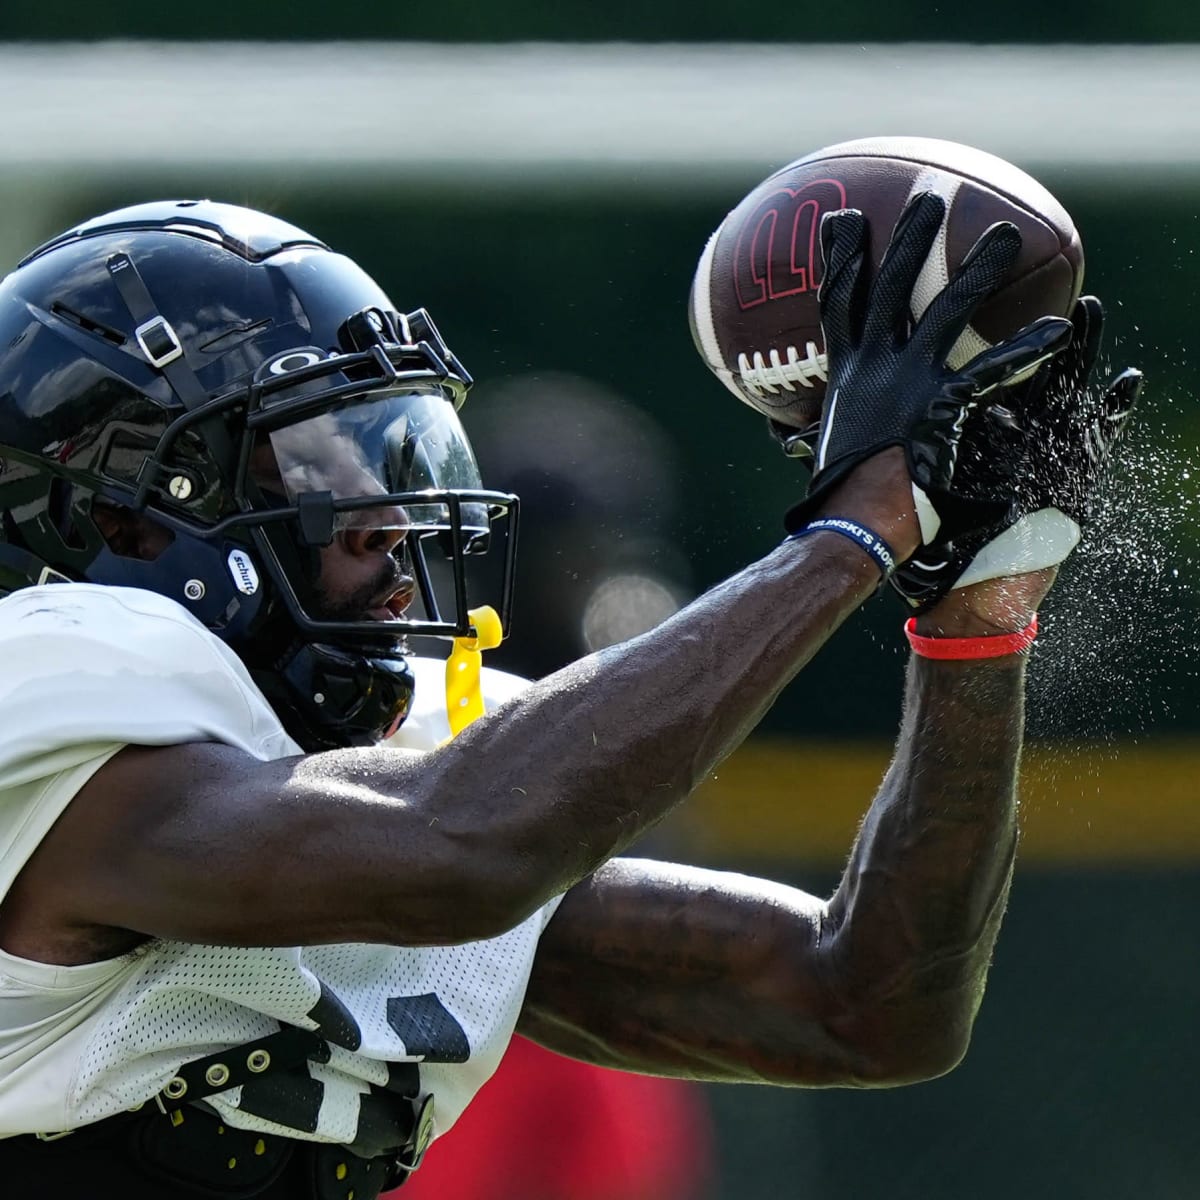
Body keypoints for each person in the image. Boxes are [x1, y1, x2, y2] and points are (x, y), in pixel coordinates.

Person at [0, 194, 1137, 1199]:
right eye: (313, 463)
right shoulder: (59, 681)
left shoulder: (405, 762)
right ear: (126, 520)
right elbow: (451, 852)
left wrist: (974, 626)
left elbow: (866, 1004)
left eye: (387, 448)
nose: (387, 510)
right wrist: (853, 529)